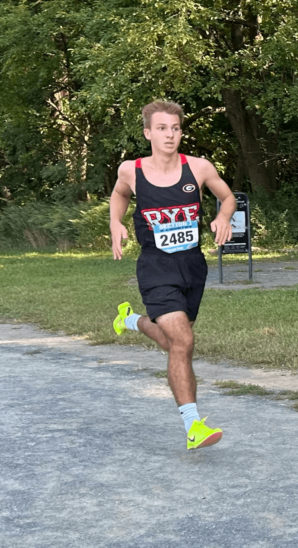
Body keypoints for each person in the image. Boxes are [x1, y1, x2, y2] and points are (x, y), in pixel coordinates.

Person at [109, 101, 236, 450]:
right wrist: (115, 222)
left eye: (176, 128)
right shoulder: (130, 171)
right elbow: (119, 195)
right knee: (183, 342)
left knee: (173, 343)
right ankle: (193, 425)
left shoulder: (198, 167)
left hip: (193, 267)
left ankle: (132, 320)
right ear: (148, 132)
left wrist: (223, 216)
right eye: (162, 128)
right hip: (156, 266)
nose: (170, 134)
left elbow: (227, 198)